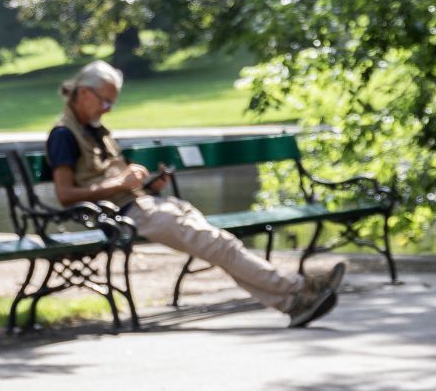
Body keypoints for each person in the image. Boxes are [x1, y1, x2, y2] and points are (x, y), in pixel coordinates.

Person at [45, 60, 344, 327]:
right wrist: (123, 183)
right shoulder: (63, 135)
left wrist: (146, 185)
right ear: (84, 93)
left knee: (221, 247)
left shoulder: (95, 130)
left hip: (143, 204)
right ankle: (302, 287)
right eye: (105, 102)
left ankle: (292, 305)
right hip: (123, 216)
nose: (108, 109)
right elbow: (66, 194)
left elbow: (109, 180)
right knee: (221, 246)